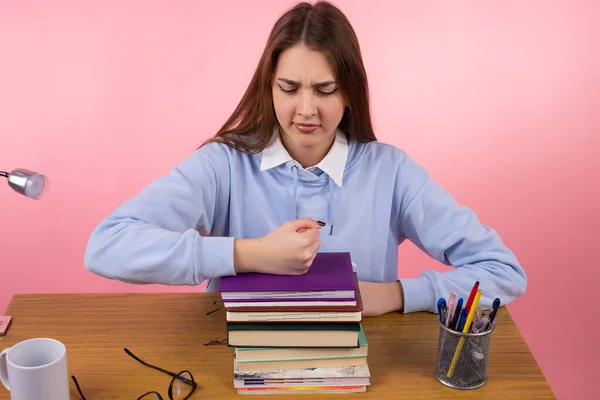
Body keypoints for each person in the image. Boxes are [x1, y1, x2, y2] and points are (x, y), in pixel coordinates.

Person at [84, 1, 527, 317]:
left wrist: (396, 294)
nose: (306, 110)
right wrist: (249, 253)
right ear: (269, 87)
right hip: (232, 361)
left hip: (360, 368)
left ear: (350, 91)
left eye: (326, 89)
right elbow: (107, 246)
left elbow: (503, 271)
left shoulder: (390, 172)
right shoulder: (222, 164)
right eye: (290, 88)